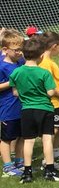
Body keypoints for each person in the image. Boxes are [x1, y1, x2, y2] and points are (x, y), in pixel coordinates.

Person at [10, 37, 59, 182]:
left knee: (28, 141)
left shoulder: (16, 72)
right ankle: (50, 170)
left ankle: (27, 172)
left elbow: (15, 93)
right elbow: (50, 92)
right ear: (41, 56)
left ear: (23, 55)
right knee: (47, 139)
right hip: (45, 109)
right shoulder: (44, 73)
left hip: (26, 110)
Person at [36, 32, 59, 164]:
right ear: (54, 46)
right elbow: (47, 84)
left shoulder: (49, 61)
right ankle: (47, 160)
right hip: (52, 103)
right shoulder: (45, 63)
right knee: (52, 131)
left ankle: (56, 153)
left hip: (58, 103)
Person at [0, 30, 24, 177]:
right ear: (5, 49)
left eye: (21, 49)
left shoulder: (21, 62)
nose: (20, 53)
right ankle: (7, 166)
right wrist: (11, 82)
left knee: (22, 135)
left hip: (23, 105)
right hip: (8, 108)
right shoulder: (1, 66)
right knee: (7, 138)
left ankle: (20, 162)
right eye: (16, 50)